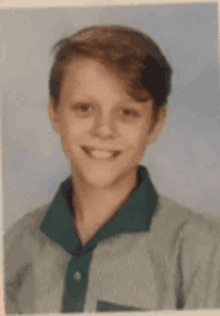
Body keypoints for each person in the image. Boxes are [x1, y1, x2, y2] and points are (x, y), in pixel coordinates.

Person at [4, 25, 220, 314]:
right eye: (84, 108)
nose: (104, 131)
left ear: (155, 124)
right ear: (54, 112)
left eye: (127, 113)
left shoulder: (200, 250)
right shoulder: (16, 244)